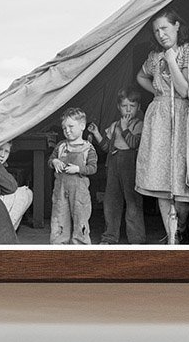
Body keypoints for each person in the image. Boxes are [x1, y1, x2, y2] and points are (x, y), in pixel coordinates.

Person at [135, 8, 189, 243]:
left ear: (177, 26)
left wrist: (171, 60)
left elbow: (184, 90)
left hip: (182, 116)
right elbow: (140, 77)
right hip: (159, 118)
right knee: (160, 179)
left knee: (181, 182)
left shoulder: (186, 52)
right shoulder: (153, 57)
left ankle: (181, 228)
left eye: (164, 28)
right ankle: (171, 237)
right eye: (156, 30)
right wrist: (159, 92)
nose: (160, 34)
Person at [87, 86, 146, 245]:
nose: (128, 110)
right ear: (118, 107)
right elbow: (106, 147)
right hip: (113, 163)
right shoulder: (114, 125)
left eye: (132, 106)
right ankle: (110, 237)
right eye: (124, 106)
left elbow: (133, 143)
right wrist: (97, 134)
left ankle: (137, 239)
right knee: (111, 201)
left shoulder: (139, 124)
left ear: (138, 108)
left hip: (130, 163)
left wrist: (125, 128)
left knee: (133, 202)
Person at [49, 107, 98, 245]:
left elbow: (93, 168)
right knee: (59, 219)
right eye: (64, 128)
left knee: (80, 220)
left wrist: (78, 169)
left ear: (82, 126)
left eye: (71, 126)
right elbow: (50, 160)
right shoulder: (61, 146)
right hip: (60, 192)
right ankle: (58, 247)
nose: (67, 131)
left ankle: (80, 247)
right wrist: (55, 161)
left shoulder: (88, 148)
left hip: (80, 195)